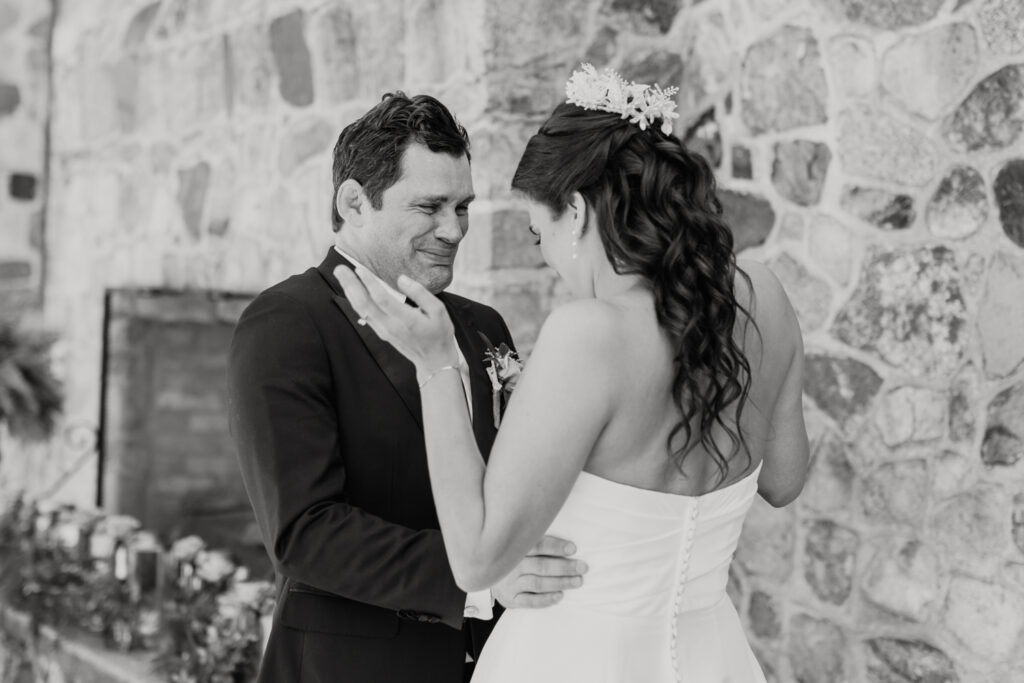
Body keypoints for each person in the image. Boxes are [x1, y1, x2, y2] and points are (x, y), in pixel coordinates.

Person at [336, 65, 811, 682]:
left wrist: (435, 365)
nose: (552, 260)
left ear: (579, 212)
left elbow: (478, 561)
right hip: (710, 652)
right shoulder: (764, 294)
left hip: (577, 658)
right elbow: (785, 478)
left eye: (541, 235)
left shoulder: (587, 333)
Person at [228, 92, 586, 683]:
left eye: (463, 206)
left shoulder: (483, 326)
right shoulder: (286, 323)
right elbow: (303, 530)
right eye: (430, 206)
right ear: (354, 202)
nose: (454, 229)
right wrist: (478, 576)